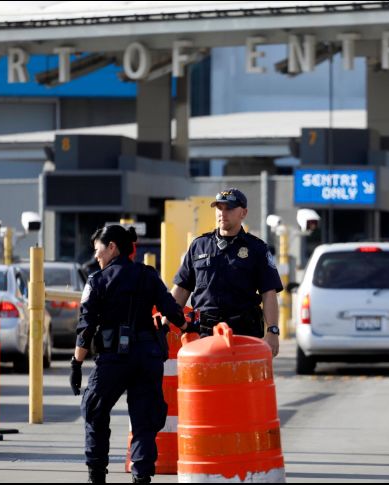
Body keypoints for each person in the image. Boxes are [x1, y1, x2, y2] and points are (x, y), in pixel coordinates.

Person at [70, 225, 185, 484]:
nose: (96, 256)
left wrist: (76, 363)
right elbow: (171, 307)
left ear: (112, 247)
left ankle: (96, 475)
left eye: (98, 250)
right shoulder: (148, 274)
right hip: (147, 356)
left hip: (113, 359)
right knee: (144, 420)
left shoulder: (97, 280)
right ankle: (141, 477)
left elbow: (86, 327)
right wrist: (189, 326)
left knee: (94, 411)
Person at [169, 188, 282, 356]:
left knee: (241, 382)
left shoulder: (257, 248)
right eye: (219, 208)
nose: (223, 213)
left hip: (243, 333)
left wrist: (272, 331)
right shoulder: (199, 245)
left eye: (229, 208)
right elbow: (182, 288)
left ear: (243, 213)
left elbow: (268, 293)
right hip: (203, 333)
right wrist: (166, 320)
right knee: (205, 382)